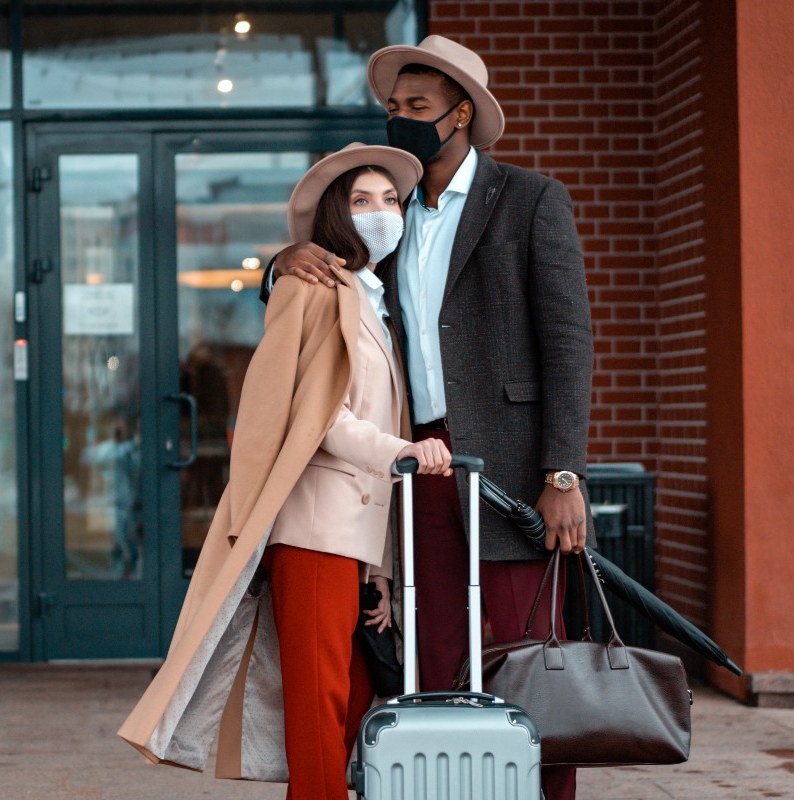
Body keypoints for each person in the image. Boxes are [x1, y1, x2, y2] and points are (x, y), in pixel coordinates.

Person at [263, 36, 594, 800]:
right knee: (437, 646)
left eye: (417, 108)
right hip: (416, 460)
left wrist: (564, 470)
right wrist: (280, 263)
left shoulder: (528, 199)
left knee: (527, 653)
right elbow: (332, 276)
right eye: (392, 109)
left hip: (514, 466)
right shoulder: (390, 210)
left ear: (462, 113)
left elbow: (569, 341)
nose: (401, 120)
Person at [118, 143, 452, 799]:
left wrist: (381, 568)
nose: (381, 212)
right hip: (312, 531)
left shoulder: (382, 304)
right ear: (336, 214)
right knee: (318, 705)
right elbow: (314, 416)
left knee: (355, 699)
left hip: (357, 540)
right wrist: (401, 452)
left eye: (391, 201)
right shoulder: (312, 286)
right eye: (363, 200)